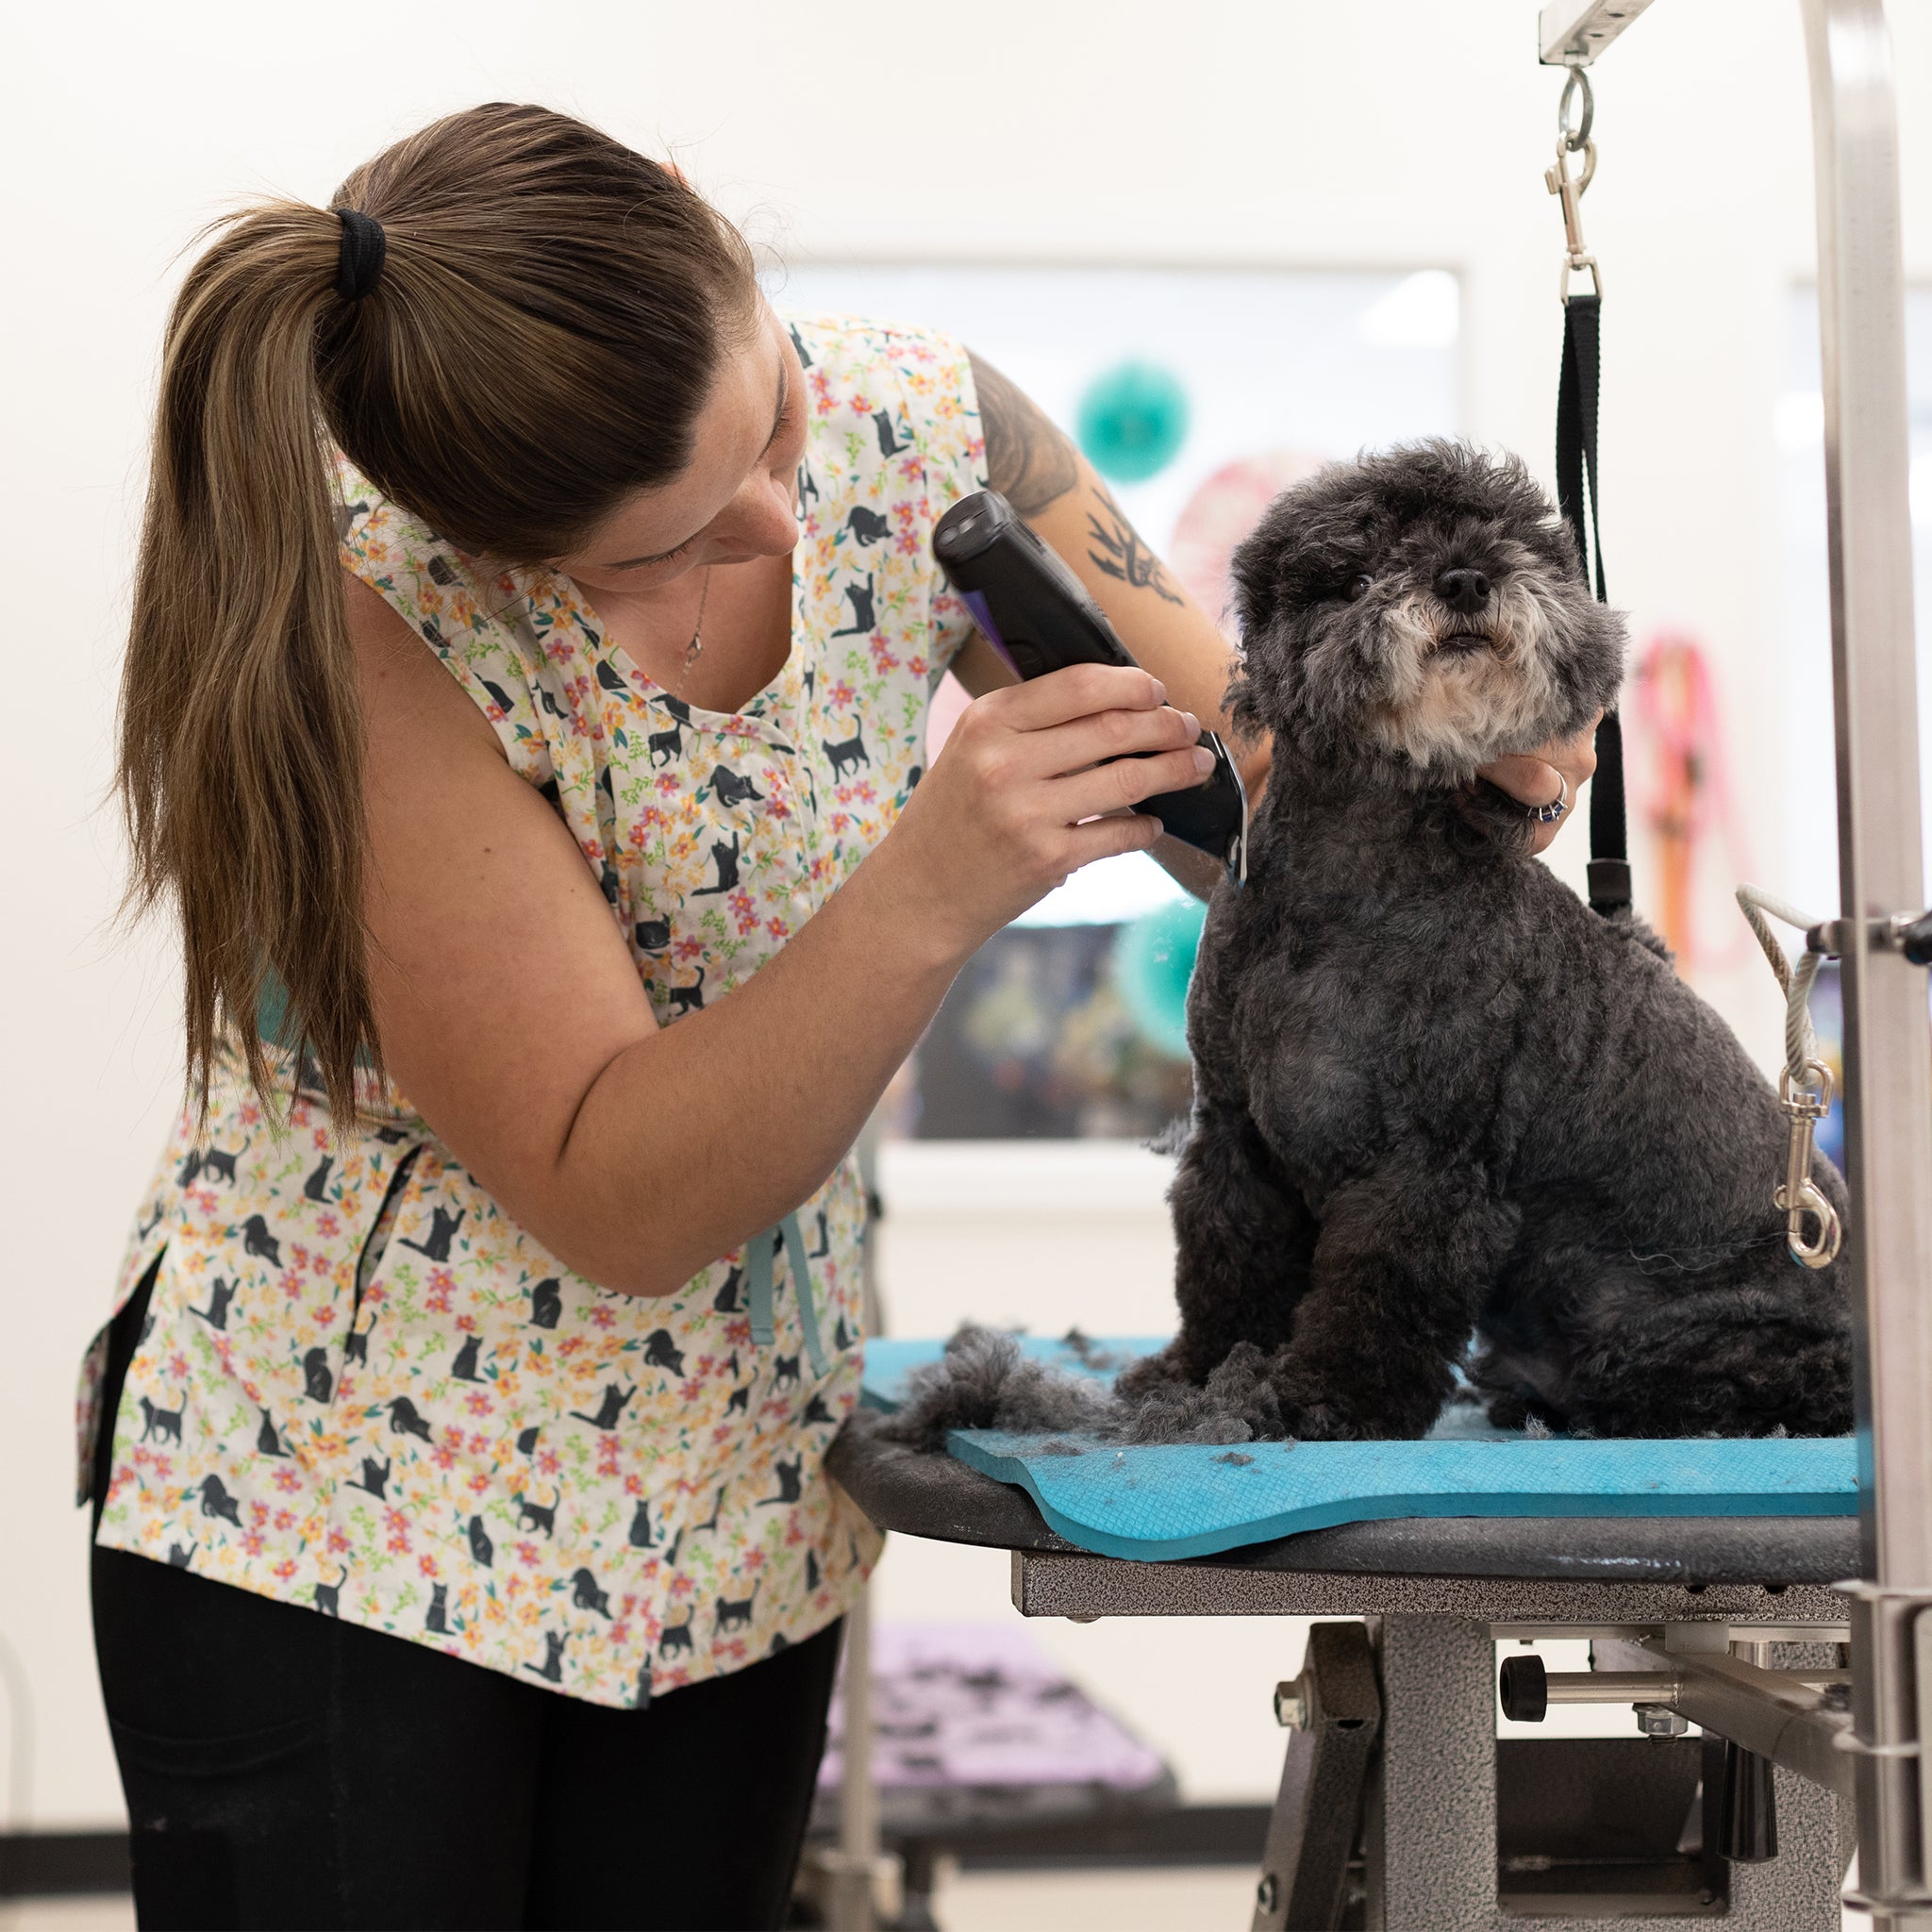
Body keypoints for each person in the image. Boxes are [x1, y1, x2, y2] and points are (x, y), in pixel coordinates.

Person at [82, 102, 1596, 1931]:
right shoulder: (362, 603)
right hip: (347, 1525)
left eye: (774, 423)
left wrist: (1446, 759)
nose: (787, 520)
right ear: (499, 553)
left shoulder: (927, 429)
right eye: (669, 551)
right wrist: (936, 877)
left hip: (729, 1522)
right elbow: (610, 1185)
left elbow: (1251, 792)